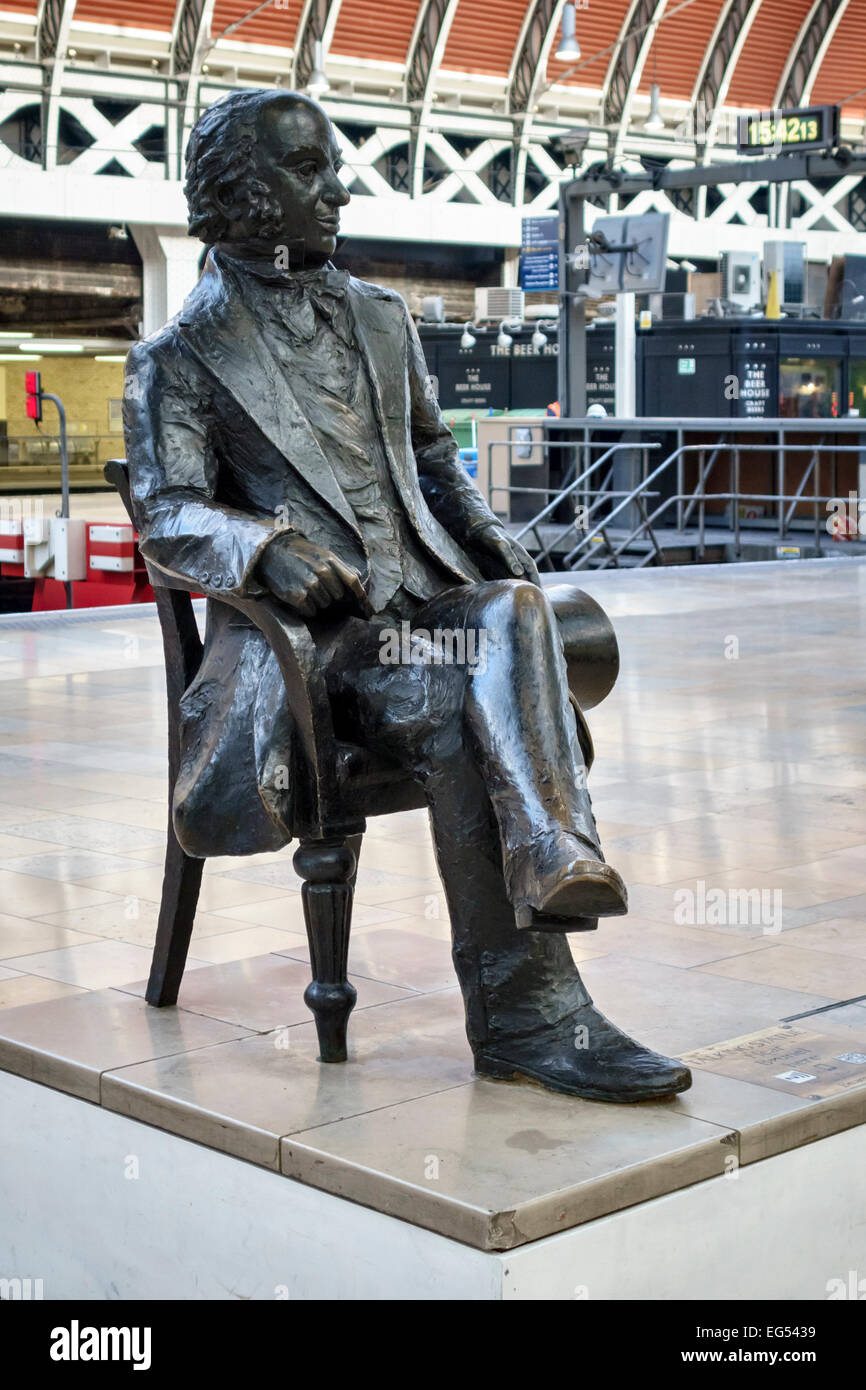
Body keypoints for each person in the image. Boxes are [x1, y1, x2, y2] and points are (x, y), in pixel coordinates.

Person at [123, 89, 690, 1102]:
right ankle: (531, 1005)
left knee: (504, 615)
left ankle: (549, 888)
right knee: (470, 701)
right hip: (321, 658)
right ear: (245, 196)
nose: (335, 189)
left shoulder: (382, 319)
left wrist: (482, 532)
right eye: (307, 170)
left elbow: (430, 458)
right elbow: (166, 510)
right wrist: (263, 547)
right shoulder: (178, 359)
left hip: (425, 623)